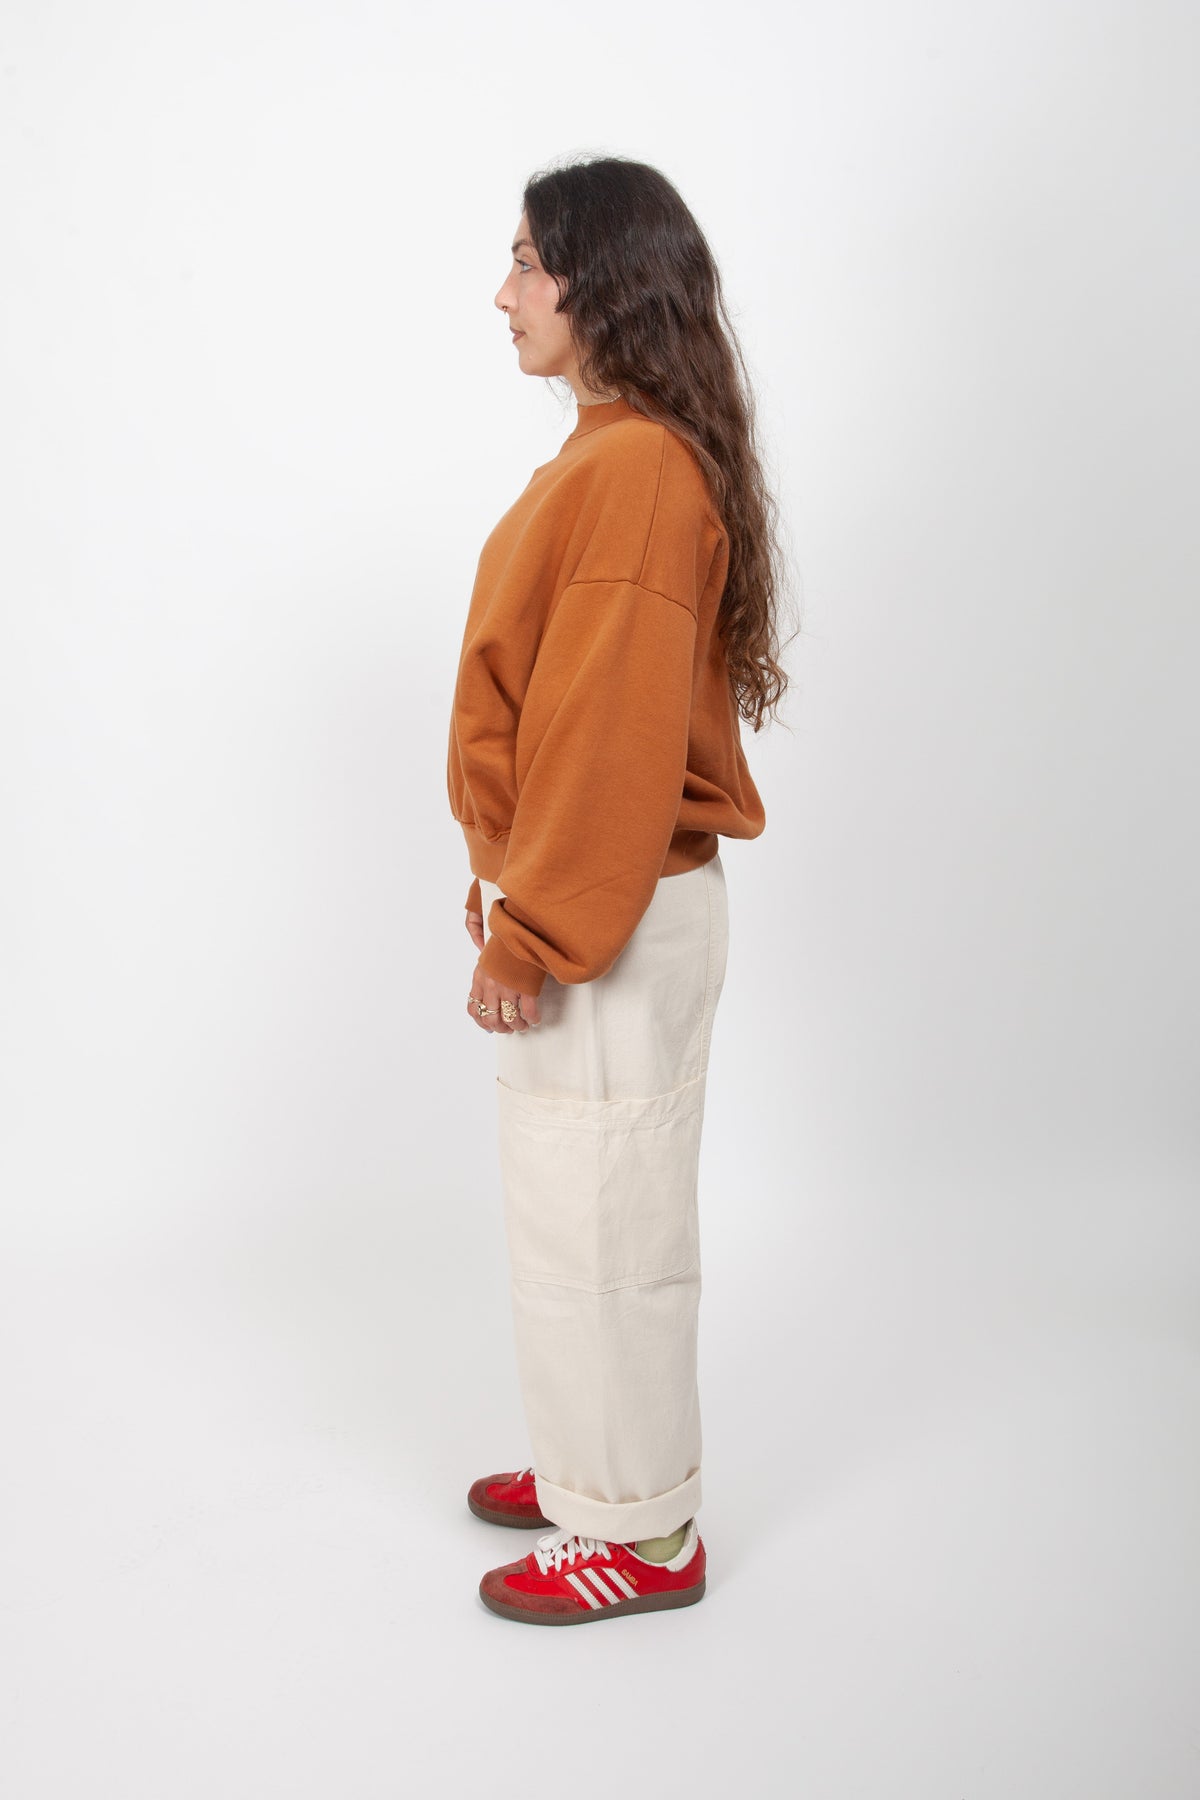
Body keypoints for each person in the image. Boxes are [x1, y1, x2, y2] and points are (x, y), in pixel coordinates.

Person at [446, 154, 791, 1625]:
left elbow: (606, 736)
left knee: (612, 1227)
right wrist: (513, 886)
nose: (504, 292)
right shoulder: (612, 455)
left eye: (530, 262)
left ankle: (643, 1536)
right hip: (591, 899)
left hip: (611, 911)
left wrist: (534, 927)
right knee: (570, 1211)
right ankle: (589, 1471)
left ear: (607, 281)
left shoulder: (639, 469)